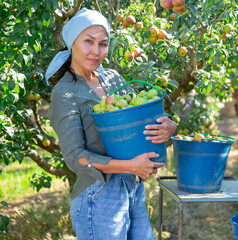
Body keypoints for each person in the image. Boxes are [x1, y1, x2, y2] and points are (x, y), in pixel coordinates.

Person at [46, 8, 177, 239]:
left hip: (133, 187)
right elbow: (76, 157)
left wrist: (169, 125)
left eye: (103, 44)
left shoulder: (113, 79)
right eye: (88, 41)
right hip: (98, 195)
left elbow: (139, 119)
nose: (96, 51)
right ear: (72, 43)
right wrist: (130, 166)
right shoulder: (65, 93)